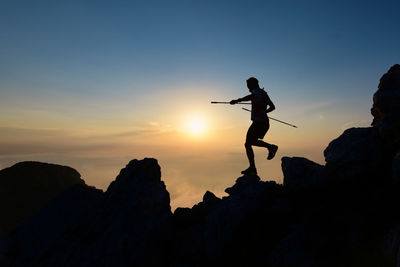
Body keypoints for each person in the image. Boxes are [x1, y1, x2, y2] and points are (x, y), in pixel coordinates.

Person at [230, 77, 278, 175]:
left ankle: (254, 167)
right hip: (263, 122)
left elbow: (251, 97)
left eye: (248, 85)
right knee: (250, 142)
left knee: (248, 143)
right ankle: (268, 149)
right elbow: (272, 107)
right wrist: (264, 112)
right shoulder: (263, 93)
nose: (247, 87)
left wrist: (237, 100)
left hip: (259, 123)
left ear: (252, 85)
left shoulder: (256, 92)